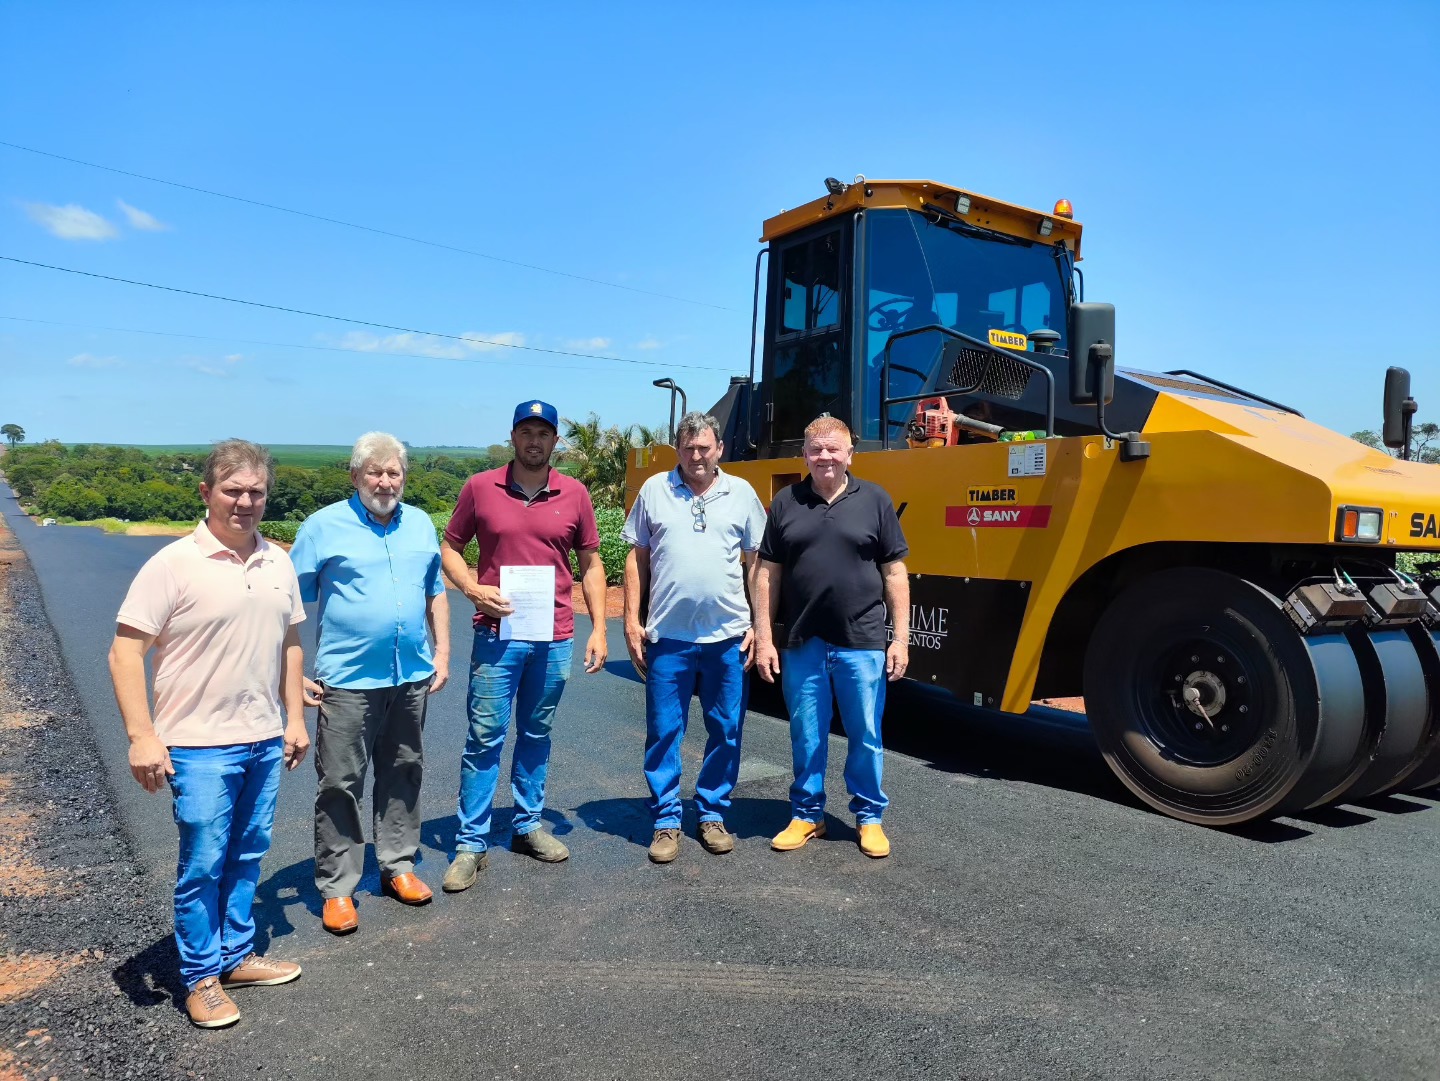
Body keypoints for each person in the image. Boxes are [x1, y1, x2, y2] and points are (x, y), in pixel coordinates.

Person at [108, 439, 309, 1030]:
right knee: (202, 864)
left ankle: (236, 953)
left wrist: (294, 719)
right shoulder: (171, 564)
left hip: (264, 739)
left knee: (248, 855)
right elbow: (124, 653)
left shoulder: (279, 559)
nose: (245, 502)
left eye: (256, 492)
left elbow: (290, 645)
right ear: (207, 492)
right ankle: (200, 978)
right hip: (196, 745)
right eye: (232, 490)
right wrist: (142, 736)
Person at [439, 400, 608, 890]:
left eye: (544, 433)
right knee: (485, 737)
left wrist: (599, 627)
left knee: (537, 733)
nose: (534, 440)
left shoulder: (574, 493)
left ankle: (527, 825)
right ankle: (471, 842)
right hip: (498, 635)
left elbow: (591, 563)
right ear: (513, 436)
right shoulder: (480, 487)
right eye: (526, 431)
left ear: (555, 441)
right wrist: (472, 589)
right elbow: (450, 547)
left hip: (554, 637)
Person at [289, 432, 450, 935]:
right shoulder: (322, 527)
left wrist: (442, 650)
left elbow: (435, 591)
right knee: (341, 782)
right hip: (348, 680)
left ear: (404, 476)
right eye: (374, 472)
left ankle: (398, 865)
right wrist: (289, 671)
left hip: (410, 675)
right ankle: (338, 888)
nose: (385, 480)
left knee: (404, 769)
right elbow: (286, 604)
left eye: (394, 472)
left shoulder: (420, 524)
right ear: (355, 475)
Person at [752, 415, 910, 859]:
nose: (825, 457)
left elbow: (894, 571)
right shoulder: (786, 502)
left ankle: (869, 818)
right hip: (803, 641)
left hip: (861, 640)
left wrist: (899, 639)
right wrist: (765, 637)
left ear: (849, 454)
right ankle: (807, 814)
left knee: (864, 733)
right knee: (806, 734)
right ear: (804, 454)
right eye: (816, 449)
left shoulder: (875, 500)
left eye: (833, 449)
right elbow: (767, 573)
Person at [622, 412, 767, 864]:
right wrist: (631, 619)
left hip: (727, 638)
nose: (696, 455)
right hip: (668, 637)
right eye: (688, 448)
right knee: (665, 731)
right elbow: (636, 558)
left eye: (704, 447)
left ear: (719, 448)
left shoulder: (741, 493)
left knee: (726, 730)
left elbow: (756, 563)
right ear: (678, 451)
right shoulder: (655, 491)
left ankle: (711, 813)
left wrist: (761, 626)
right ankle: (666, 820)